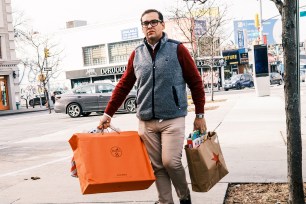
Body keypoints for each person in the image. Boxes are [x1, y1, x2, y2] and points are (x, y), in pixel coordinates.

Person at [98, 9, 206, 204]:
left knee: (170, 162)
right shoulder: (136, 54)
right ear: (142, 28)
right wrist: (108, 113)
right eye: (145, 23)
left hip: (173, 118)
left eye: (154, 22)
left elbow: (195, 82)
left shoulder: (177, 49)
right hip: (146, 122)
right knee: (157, 167)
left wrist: (200, 114)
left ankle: (184, 197)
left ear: (163, 25)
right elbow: (124, 85)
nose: (150, 26)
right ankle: (166, 201)